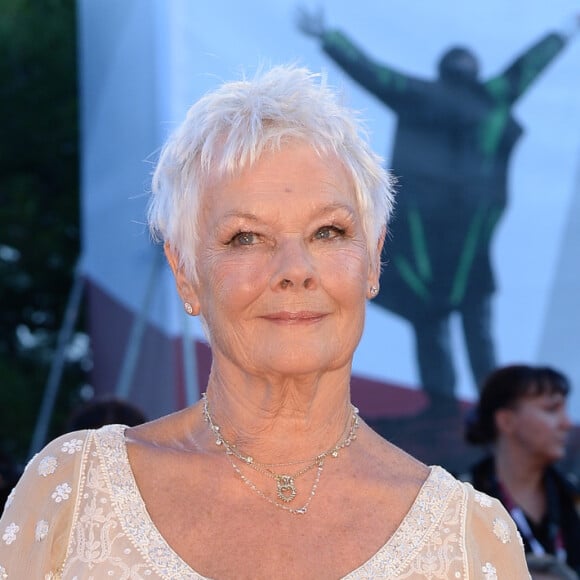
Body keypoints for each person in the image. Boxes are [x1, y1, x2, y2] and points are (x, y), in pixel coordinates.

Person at [0, 65, 529, 579]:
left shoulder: (469, 540)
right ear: (185, 274)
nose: (295, 271)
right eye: (245, 238)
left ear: (372, 260)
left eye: (328, 232)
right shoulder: (73, 495)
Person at [297, 7, 580, 404]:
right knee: (463, 318)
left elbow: (373, 72)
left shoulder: (422, 94)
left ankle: (463, 404)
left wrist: (328, 37)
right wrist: (564, 33)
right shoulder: (489, 95)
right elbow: (529, 64)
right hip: (452, 236)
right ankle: (471, 406)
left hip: (435, 237)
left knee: (440, 316)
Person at [465, 364, 580, 577]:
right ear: (506, 421)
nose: (567, 423)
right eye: (552, 409)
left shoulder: (573, 497)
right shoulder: (459, 502)